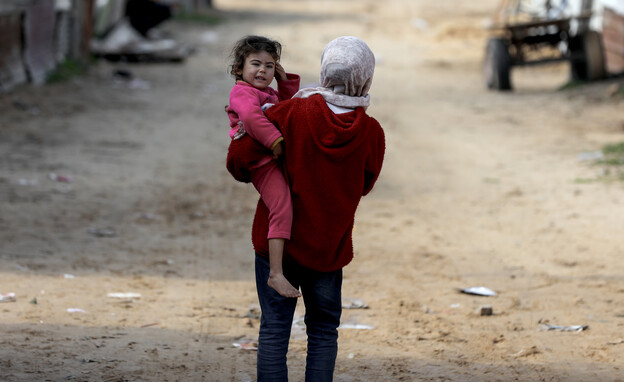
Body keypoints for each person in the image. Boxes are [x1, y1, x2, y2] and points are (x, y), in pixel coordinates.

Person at [238, 36, 386, 381]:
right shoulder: (371, 132)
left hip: (279, 245)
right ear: (365, 75)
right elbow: (365, 185)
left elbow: (238, 160)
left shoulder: (290, 112)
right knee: (323, 331)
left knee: (274, 330)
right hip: (327, 249)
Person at [225, 35, 301, 298]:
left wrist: (284, 81)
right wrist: (276, 142)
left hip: (274, 159)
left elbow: (290, 109)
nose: (262, 70)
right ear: (239, 69)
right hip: (262, 162)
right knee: (282, 206)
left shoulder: (268, 92)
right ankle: (276, 274)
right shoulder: (242, 92)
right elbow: (251, 117)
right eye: (255, 64)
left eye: (269, 66)